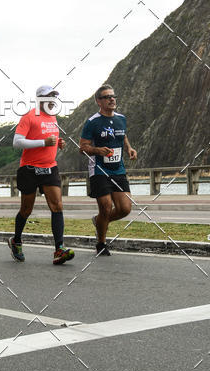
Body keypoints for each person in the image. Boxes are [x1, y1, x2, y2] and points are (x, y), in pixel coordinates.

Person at [8, 85, 75, 266]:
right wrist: (44, 142)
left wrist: (57, 143)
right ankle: (16, 241)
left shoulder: (53, 118)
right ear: (39, 99)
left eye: (54, 97)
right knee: (26, 210)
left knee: (57, 206)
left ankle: (59, 249)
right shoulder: (29, 116)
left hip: (50, 168)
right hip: (29, 169)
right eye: (49, 97)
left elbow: (48, 137)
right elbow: (17, 142)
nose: (52, 101)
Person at [79, 84, 137, 257]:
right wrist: (97, 150)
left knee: (125, 208)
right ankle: (101, 243)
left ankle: (99, 221)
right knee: (105, 207)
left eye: (113, 96)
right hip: (99, 170)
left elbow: (123, 135)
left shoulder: (121, 119)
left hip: (118, 169)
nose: (112, 99)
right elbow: (82, 147)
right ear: (99, 101)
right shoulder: (92, 122)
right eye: (107, 97)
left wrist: (129, 149)